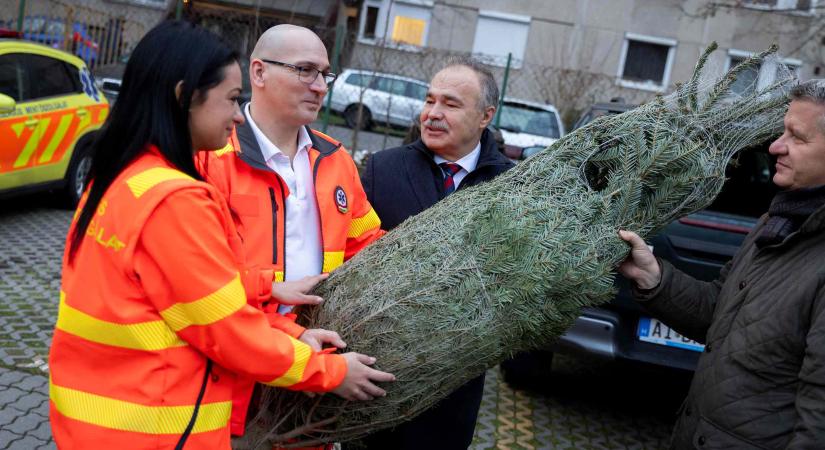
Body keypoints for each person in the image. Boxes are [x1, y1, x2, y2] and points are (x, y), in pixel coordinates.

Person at [48, 21, 393, 450]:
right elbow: (225, 329)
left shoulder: (125, 176)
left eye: (325, 74)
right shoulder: (178, 194)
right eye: (231, 99)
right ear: (184, 97)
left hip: (99, 418)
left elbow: (189, 295)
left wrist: (281, 312)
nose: (235, 114)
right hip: (155, 425)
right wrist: (333, 372)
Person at [196, 24, 385, 439]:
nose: (320, 87)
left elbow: (369, 248)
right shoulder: (212, 158)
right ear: (259, 73)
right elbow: (198, 284)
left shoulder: (336, 161)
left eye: (325, 74)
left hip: (315, 368)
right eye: (305, 70)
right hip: (232, 378)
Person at [618, 80, 825, 449]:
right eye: (782, 131)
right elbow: (719, 313)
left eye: (797, 137)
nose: (776, 146)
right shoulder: (777, 223)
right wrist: (654, 277)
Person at [359, 57, 514, 449]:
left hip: (453, 389)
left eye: (450, 103)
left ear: (485, 116)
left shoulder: (512, 187)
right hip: (377, 378)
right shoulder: (382, 170)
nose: (433, 113)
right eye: (429, 101)